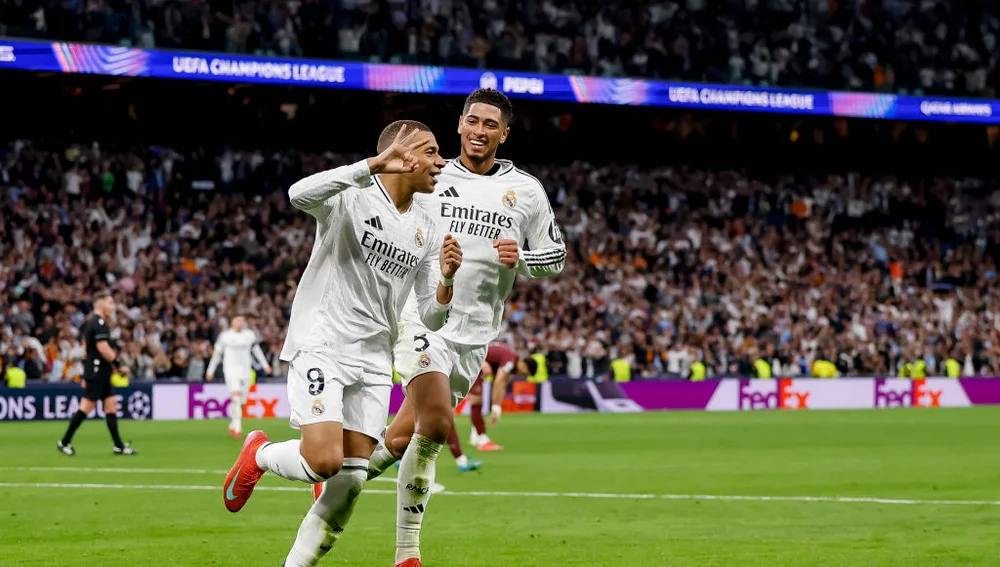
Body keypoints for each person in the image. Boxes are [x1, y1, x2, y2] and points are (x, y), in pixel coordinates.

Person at [221, 122, 461, 567]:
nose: (441, 162)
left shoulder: (427, 225)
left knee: (350, 482)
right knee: (324, 461)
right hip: (324, 343)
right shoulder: (352, 194)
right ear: (400, 155)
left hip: (374, 360)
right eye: (431, 152)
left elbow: (431, 315)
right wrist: (371, 166)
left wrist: (446, 280)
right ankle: (259, 452)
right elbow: (298, 194)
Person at [367, 88, 567, 567]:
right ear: (459, 124)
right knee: (435, 426)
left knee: (401, 440)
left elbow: (555, 257)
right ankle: (408, 552)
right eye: (472, 121)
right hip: (420, 317)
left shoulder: (527, 190)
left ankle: (333, 475)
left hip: (475, 335)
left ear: (504, 133)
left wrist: (522, 259)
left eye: (489, 124)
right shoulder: (430, 175)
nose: (479, 130)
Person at [57, 291, 138, 456]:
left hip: (99, 370)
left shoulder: (94, 323)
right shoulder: (98, 324)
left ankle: (118, 446)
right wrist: (118, 365)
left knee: (111, 405)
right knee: (86, 407)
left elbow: (87, 349)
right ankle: (64, 442)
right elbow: (103, 349)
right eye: (110, 303)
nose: (113, 306)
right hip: (97, 370)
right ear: (100, 303)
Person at [206, 314, 273, 438]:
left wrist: (265, 365)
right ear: (232, 322)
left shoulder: (249, 335)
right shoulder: (225, 336)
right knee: (236, 396)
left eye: (242, 320)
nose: (240, 322)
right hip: (231, 370)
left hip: (245, 371)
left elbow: (256, 351)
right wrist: (210, 371)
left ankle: (233, 424)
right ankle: (237, 427)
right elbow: (217, 354)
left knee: (242, 400)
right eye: (238, 320)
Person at [467, 343, 538, 450]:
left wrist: (497, 408)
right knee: (476, 400)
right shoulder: (510, 361)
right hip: (472, 358)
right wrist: (495, 407)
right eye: (525, 374)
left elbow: (502, 385)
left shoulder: (511, 364)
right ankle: (482, 440)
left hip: (475, 358)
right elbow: (498, 382)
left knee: (477, 402)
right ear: (524, 365)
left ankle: (476, 435)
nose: (522, 376)